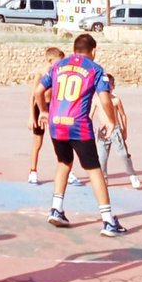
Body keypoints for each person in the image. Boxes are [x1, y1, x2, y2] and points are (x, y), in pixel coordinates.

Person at [33, 34, 127, 235]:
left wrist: (43, 111)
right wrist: (111, 121)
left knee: (64, 163)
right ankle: (108, 221)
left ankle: (56, 209)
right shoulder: (95, 69)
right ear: (94, 51)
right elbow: (105, 98)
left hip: (56, 124)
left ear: (74, 49)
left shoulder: (58, 66)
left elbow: (39, 91)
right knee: (94, 170)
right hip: (78, 125)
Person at [92, 73, 142, 189]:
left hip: (115, 131)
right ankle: (104, 179)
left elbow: (122, 115)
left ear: (113, 87)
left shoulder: (116, 100)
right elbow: (89, 116)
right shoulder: (96, 100)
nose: (107, 90)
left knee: (123, 155)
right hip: (102, 133)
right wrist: (91, 129)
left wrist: (124, 130)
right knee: (101, 158)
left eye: (109, 87)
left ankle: (132, 175)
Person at [27, 47, 69, 185]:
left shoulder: (59, 72)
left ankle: (67, 171)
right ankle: (33, 172)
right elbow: (33, 95)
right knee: (37, 142)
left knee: (61, 140)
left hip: (54, 108)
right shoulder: (41, 72)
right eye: (59, 61)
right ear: (50, 60)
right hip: (40, 108)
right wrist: (31, 116)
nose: (61, 63)